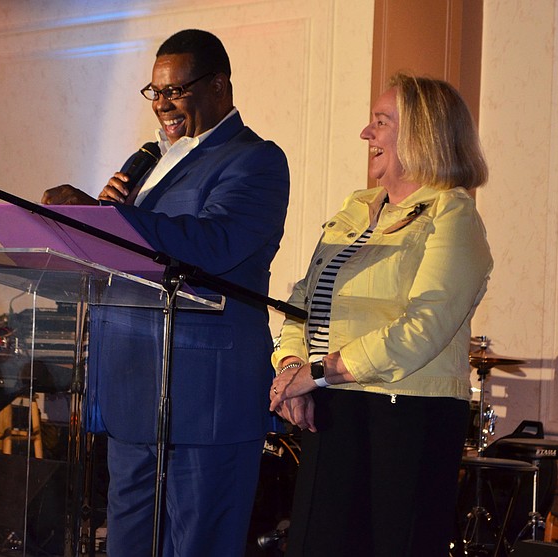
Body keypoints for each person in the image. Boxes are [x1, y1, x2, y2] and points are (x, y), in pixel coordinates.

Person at [42, 30, 289, 556]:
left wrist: (113, 221)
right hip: (133, 392)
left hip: (206, 399)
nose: (162, 104)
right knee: (127, 544)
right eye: (155, 92)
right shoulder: (150, 163)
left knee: (199, 544)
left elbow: (215, 244)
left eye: (175, 91)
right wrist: (94, 222)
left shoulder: (255, 159)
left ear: (218, 86)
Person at [268, 72, 492, 556]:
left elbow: (423, 328)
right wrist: (291, 369)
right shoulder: (357, 208)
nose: (366, 133)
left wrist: (318, 373)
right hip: (332, 406)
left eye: (381, 121)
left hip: (407, 414)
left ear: (422, 134)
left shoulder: (452, 214)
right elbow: (303, 302)